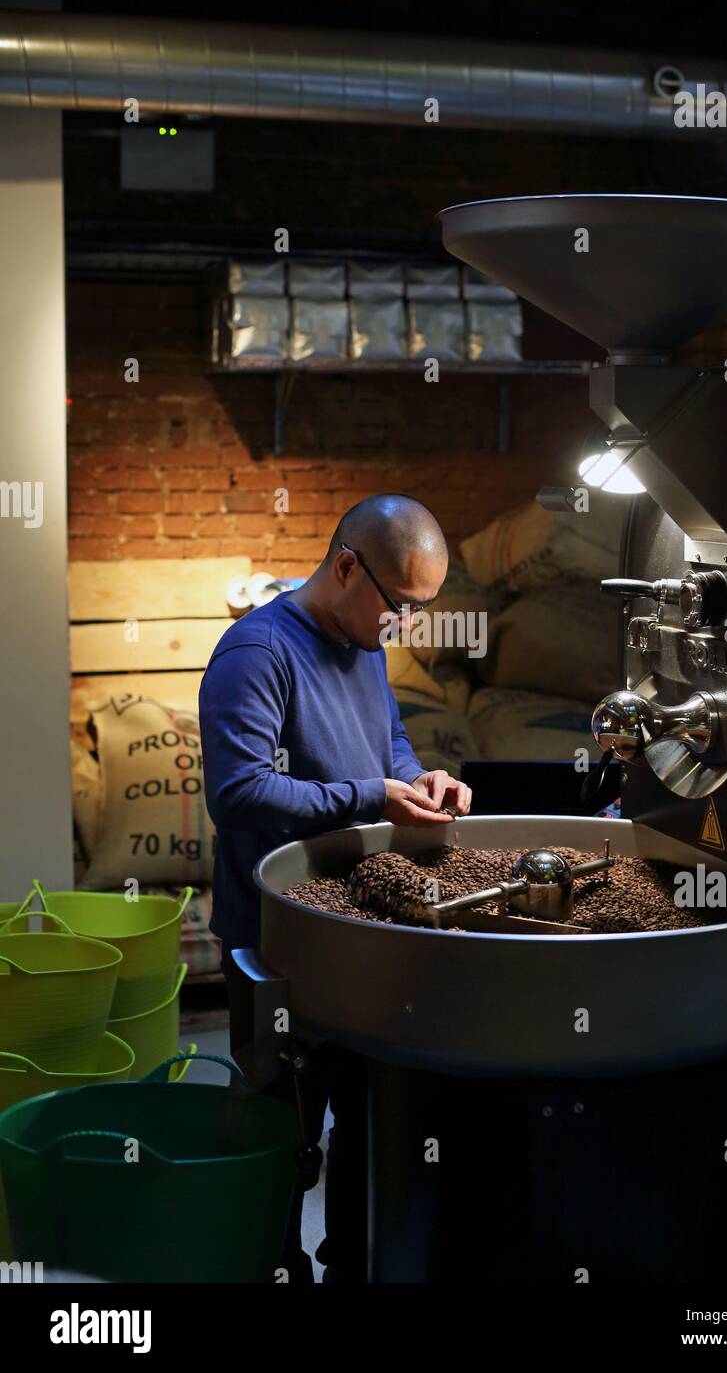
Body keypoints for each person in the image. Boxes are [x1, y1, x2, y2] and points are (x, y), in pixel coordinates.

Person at [199, 493, 472, 1281]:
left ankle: (348, 1264)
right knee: (280, 1140)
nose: (406, 627)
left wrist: (418, 780)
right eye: (401, 606)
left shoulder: (366, 639)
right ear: (346, 566)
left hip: (357, 929)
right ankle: (271, 1266)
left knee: (370, 1121)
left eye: (422, 610)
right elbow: (240, 793)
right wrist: (369, 798)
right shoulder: (257, 654)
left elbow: (385, 739)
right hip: (274, 942)